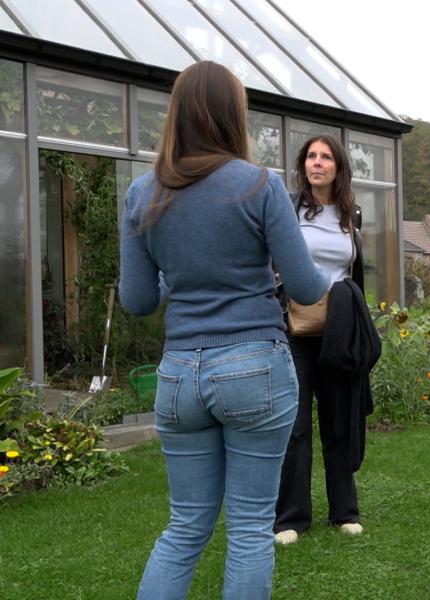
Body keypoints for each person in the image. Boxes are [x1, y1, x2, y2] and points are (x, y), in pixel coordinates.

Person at [119, 61, 328, 599]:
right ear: (233, 114)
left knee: (185, 527)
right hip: (254, 367)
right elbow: (306, 288)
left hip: (180, 377)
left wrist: (179, 275)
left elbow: (138, 300)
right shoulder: (258, 185)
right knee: (251, 530)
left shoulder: (142, 194)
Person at [274, 135, 371, 544]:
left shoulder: (352, 215)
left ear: (337, 167)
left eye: (325, 157)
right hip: (296, 329)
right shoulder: (290, 209)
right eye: (311, 156)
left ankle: (344, 512)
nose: (317, 163)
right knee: (295, 425)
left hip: (338, 331)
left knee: (338, 421)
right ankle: (292, 518)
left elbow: (353, 273)